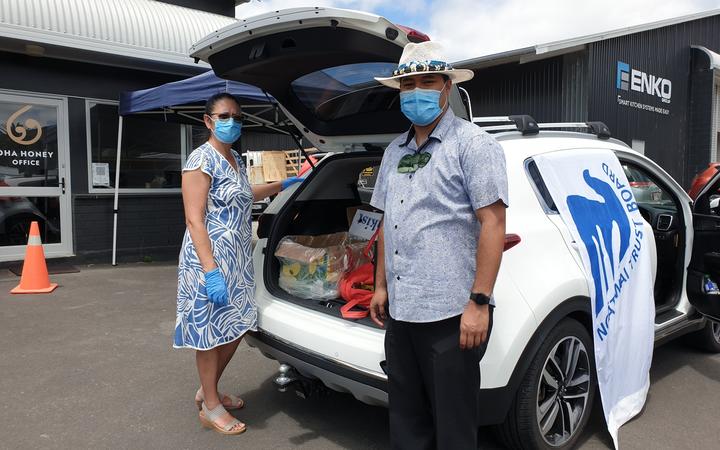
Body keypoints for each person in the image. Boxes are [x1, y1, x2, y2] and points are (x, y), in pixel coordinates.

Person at [369, 41, 508, 449]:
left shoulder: (474, 145)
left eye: (426, 81)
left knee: (454, 426)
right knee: (406, 421)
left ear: (447, 87)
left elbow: (494, 223)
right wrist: (380, 287)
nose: (416, 91)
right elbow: (386, 224)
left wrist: (479, 303)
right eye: (407, 84)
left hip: (452, 315)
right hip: (402, 310)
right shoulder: (394, 152)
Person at [174, 92, 301, 435]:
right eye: (224, 115)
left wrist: (285, 183)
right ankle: (211, 407)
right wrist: (210, 270)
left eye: (236, 116)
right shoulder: (201, 160)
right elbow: (194, 219)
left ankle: (208, 388)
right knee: (210, 332)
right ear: (208, 121)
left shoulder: (234, 160)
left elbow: (246, 194)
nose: (232, 121)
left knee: (239, 323)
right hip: (209, 258)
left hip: (238, 258)